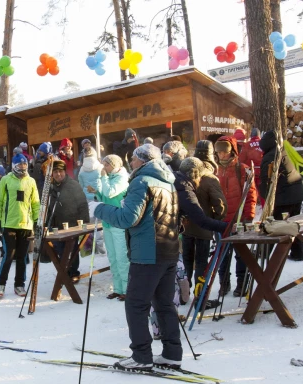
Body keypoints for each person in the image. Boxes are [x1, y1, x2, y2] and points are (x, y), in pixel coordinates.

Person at [92, 143, 182, 370]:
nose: (130, 162)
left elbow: (127, 219)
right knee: (164, 304)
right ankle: (172, 353)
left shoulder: (141, 182)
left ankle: (141, 356)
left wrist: (100, 208)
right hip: (169, 249)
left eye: (133, 158)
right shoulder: (167, 182)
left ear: (142, 160)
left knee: (136, 304)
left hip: (148, 252)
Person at [175, 157, 229, 309]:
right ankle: (200, 298)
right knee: (201, 264)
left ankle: (184, 295)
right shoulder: (208, 179)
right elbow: (221, 205)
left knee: (187, 261)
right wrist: (217, 222)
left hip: (187, 227)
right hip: (204, 226)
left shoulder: (180, 178)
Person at [214, 135, 257, 297]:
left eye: (225, 151)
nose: (222, 155)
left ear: (231, 151)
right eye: (219, 152)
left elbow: (251, 194)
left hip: (238, 219)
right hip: (220, 221)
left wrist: (249, 216)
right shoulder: (214, 170)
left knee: (241, 254)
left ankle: (241, 284)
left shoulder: (242, 169)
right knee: (222, 256)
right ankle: (224, 284)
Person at [0, 154, 40, 297]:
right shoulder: (6, 180)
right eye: (19, 165)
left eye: (24, 165)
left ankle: (19, 284)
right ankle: (0, 283)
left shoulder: (31, 181)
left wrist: (37, 221)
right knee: (9, 255)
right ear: (14, 166)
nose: (22, 167)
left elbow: (35, 203)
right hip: (9, 224)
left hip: (25, 225)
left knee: (22, 257)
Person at [87, 154, 130, 300]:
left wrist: (103, 179)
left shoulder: (123, 178)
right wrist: (96, 192)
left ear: (114, 165)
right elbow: (104, 197)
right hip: (107, 221)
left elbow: (110, 192)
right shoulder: (110, 178)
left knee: (122, 257)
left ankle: (127, 289)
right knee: (112, 257)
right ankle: (118, 288)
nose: (103, 168)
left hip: (119, 222)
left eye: (106, 165)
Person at [259, 130, 303, 261]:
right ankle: (298, 253)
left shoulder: (269, 157)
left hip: (282, 198)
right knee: (292, 224)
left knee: (274, 226)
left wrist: (263, 194)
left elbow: (266, 181)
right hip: (296, 195)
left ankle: (265, 254)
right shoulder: (286, 152)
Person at [49, 160, 90, 282]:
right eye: (55, 172)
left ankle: (73, 273)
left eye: (60, 171)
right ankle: (64, 272)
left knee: (71, 251)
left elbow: (82, 203)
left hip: (72, 224)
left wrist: (84, 223)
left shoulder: (72, 185)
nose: (58, 174)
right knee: (60, 251)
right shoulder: (50, 187)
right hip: (56, 225)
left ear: (64, 171)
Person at [239, 128, 263, 200]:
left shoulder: (247, 145)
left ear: (251, 135)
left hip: (250, 171)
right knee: (262, 191)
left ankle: (254, 202)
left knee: (251, 190)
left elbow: (241, 159)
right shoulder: (263, 143)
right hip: (262, 170)